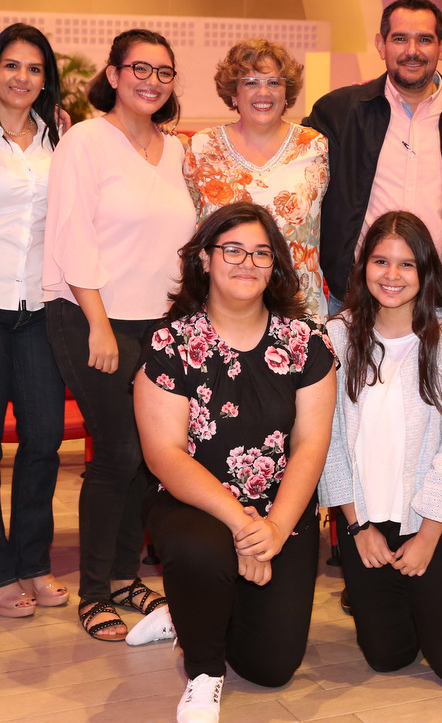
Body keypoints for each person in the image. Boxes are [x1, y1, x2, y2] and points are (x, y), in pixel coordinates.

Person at [134, 202, 336, 723]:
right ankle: (203, 672)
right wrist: (244, 524)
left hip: (280, 510)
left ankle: (186, 612)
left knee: (271, 667)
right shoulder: (171, 342)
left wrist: (275, 527)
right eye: (232, 250)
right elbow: (163, 454)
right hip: (196, 504)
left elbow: (311, 444)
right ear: (204, 259)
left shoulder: (307, 341)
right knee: (200, 551)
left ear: (275, 265)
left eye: (261, 253)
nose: (247, 262)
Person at [320, 210, 442, 686]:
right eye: (381, 261)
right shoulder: (339, 335)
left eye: (406, 264)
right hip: (365, 523)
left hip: (434, 521)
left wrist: (428, 537)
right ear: (363, 267)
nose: (392, 275)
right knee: (387, 658)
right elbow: (329, 442)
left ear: (426, 269)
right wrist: (358, 527)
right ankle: (430, 609)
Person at [43, 28, 196, 641]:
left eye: (164, 72)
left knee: (150, 456)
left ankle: (126, 575)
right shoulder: (86, 141)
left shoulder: (177, 151)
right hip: (91, 316)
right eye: (139, 69)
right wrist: (99, 325)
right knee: (119, 452)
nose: (151, 81)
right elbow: (71, 234)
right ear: (112, 75)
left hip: (159, 325)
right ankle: (94, 592)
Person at [0, 23, 69, 618]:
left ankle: (33, 561)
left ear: (45, 79)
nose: (21, 77)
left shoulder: (61, 137)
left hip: (40, 308)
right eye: (11, 65)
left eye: (33, 68)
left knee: (43, 442)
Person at [304, 0, 442, 314]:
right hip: (357, 294)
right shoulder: (338, 112)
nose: (412, 51)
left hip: (441, 296)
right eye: (400, 39)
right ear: (381, 45)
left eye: (425, 40)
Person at [184, 38, 329, 317]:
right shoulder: (202, 148)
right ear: (234, 94)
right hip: (223, 310)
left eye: (273, 82)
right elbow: (189, 226)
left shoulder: (316, 147)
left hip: (298, 308)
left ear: (287, 93)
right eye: (250, 82)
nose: (263, 92)